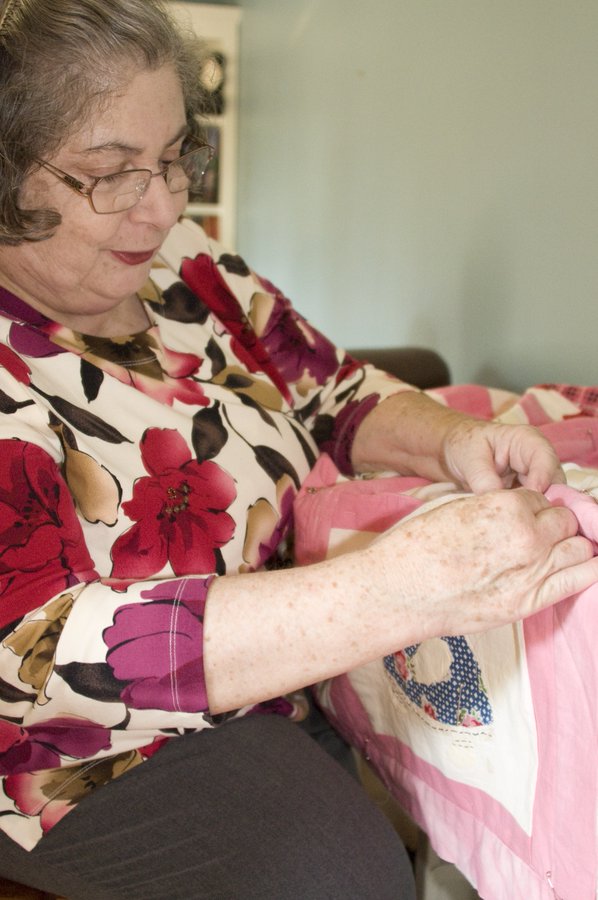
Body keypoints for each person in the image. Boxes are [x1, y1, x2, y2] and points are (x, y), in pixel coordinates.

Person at [0, 1, 596, 898]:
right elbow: (33, 651)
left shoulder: (188, 265)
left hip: (283, 669)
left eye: (174, 158)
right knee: (341, 875)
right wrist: (389, 592)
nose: (164, 206)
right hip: (81, 751)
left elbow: (335, 390)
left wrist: (458, 439)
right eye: (113, 174)